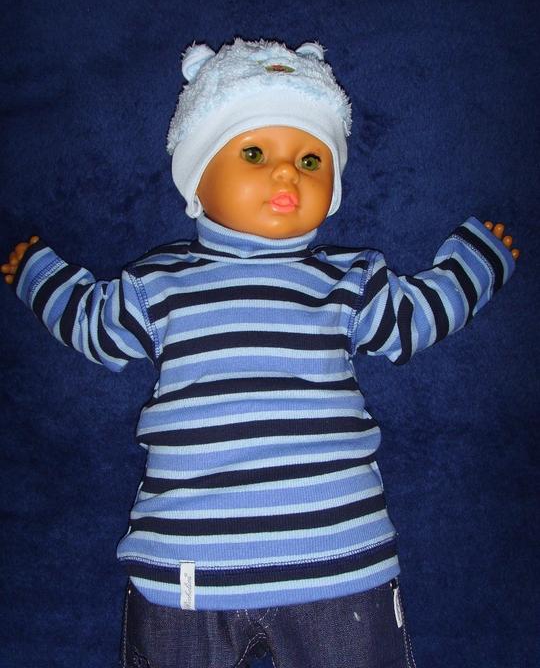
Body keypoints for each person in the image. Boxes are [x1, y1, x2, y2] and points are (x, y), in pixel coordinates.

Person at [2, 38, 519, 668]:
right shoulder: (159, 285)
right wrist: (38, 274)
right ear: (197, 180)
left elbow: (414, 319)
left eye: (310, 160)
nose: (286, 174)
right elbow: (93, 325)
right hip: (188, 568)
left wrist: (475, 265)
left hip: (338, 561)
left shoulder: (348, 279)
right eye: (254, 153)